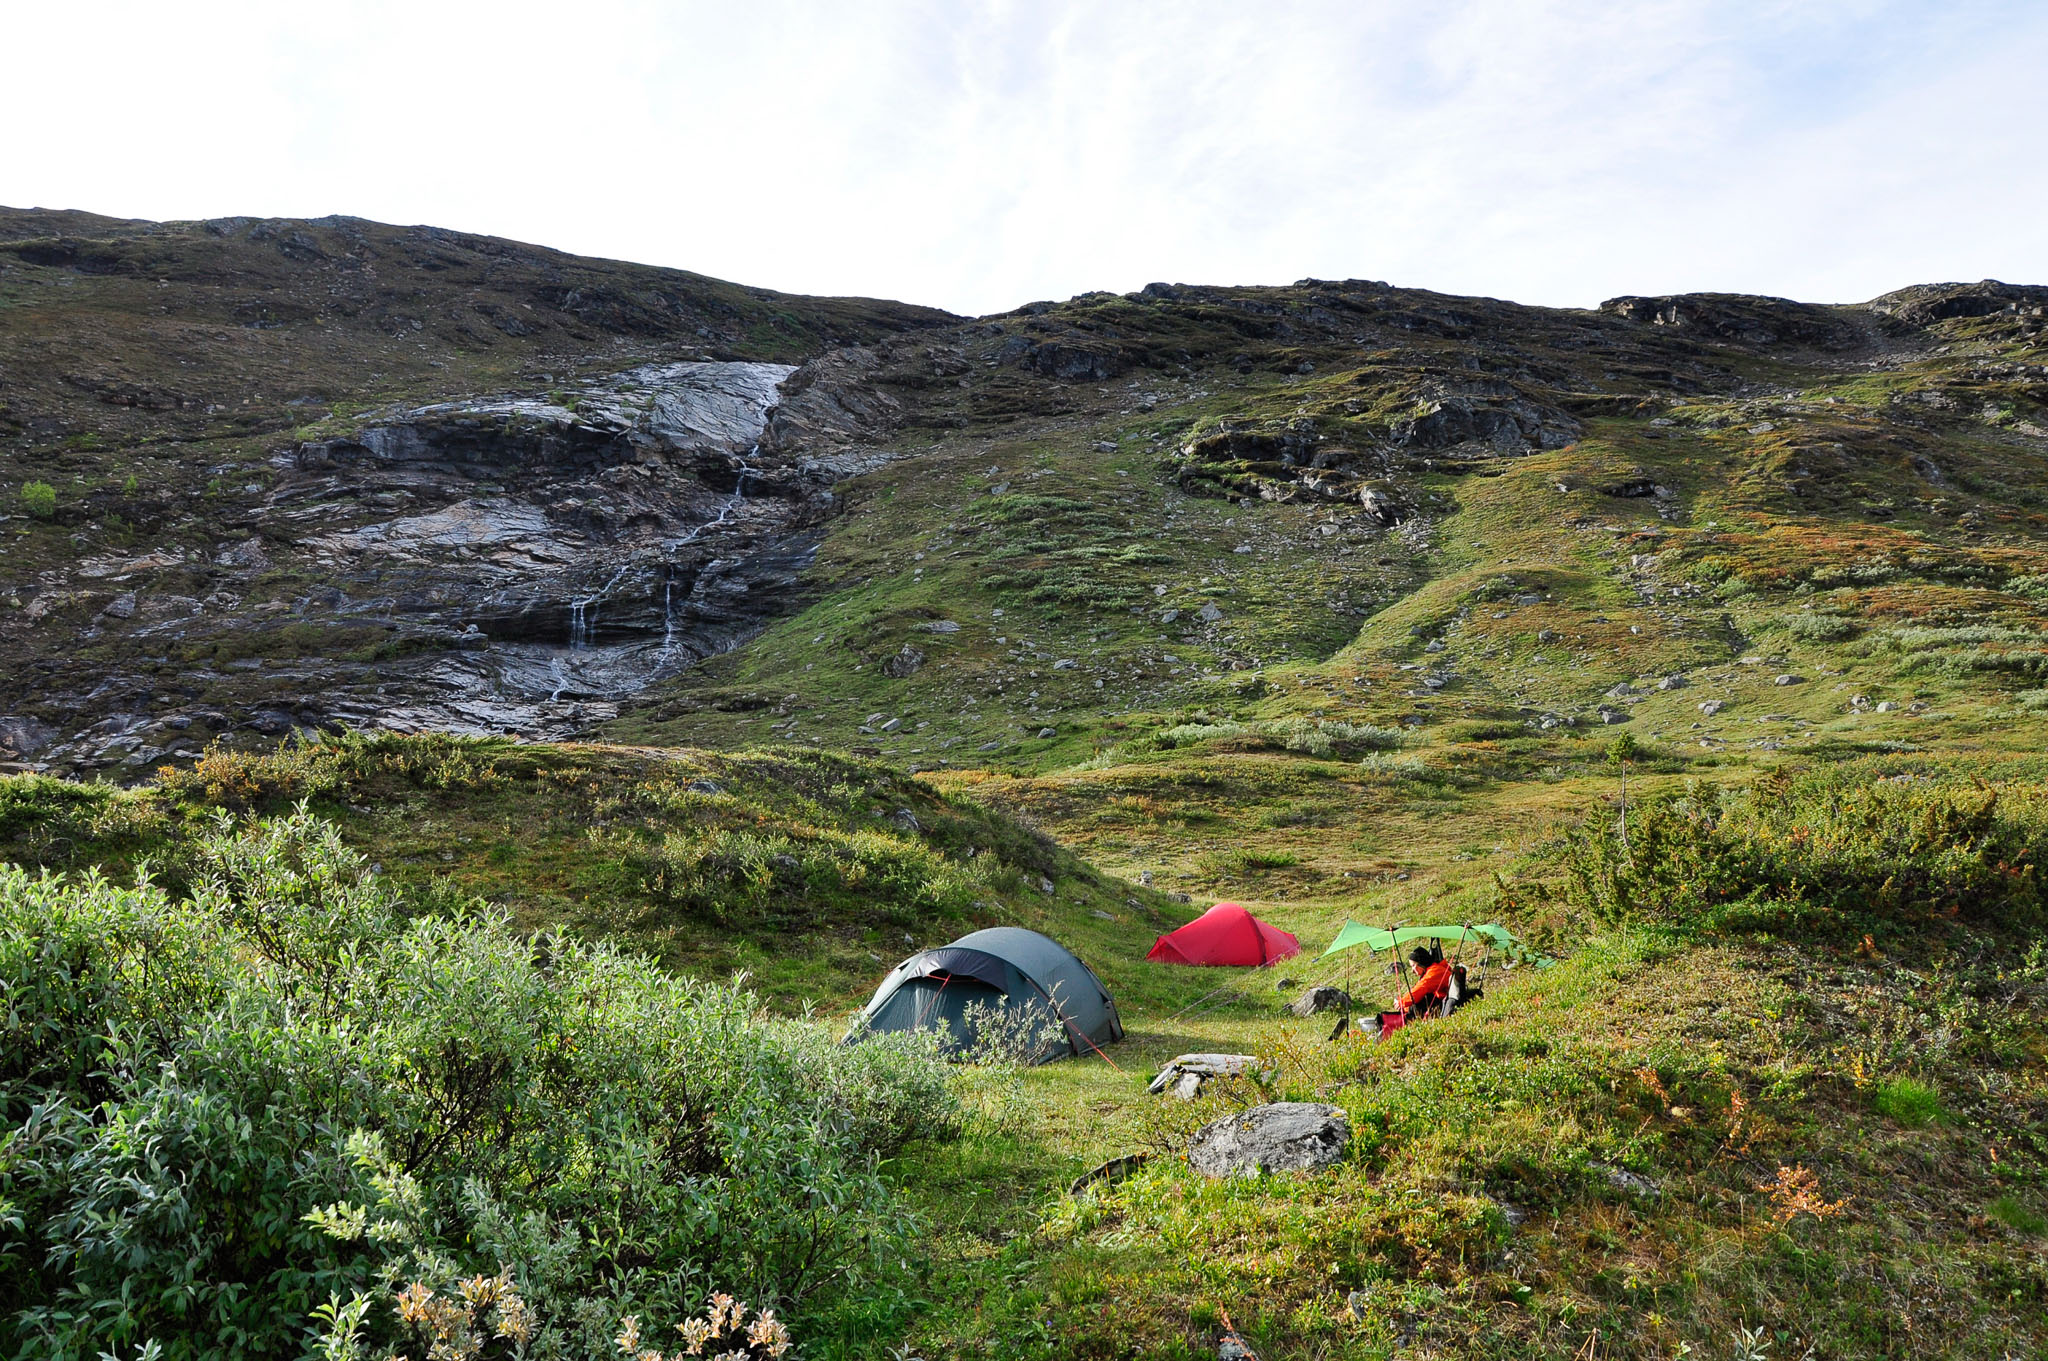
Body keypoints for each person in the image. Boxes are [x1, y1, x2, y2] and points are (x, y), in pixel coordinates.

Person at [1398, 944, 1454, 1019]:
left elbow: (1420, 988)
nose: (1412, 971)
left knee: (1421, 1002)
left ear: (1421, 963)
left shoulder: (1434, 971)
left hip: (1446, 1002)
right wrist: (1405, 1007)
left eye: (1413, 965)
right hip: (1444, 1000)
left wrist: (1402, 1002)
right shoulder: (1431, 970)